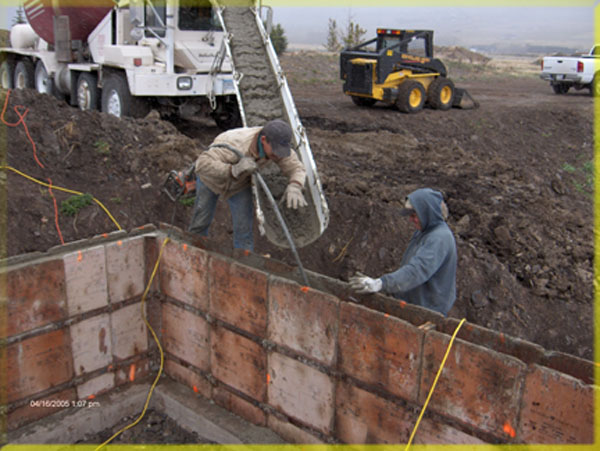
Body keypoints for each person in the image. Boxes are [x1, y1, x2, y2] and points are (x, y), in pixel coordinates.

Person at [188, 119, 307, 251]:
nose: (278, 155)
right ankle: (194, 250)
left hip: (239, 185)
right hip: (210, 179)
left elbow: (296, 168)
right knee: (201, 222)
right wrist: (233, 170)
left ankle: (243, 261)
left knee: (244, 229)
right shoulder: (235, 145)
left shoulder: (277, 144)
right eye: (275, 150)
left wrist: (295, 185)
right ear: (263, 140)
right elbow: (202, 164)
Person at [349, 188, 457, 316]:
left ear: (428, 213)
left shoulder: (439, 239)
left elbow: (417, 270)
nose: (411, 220)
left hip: (427, 310)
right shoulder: (424, 231)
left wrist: (382, 283)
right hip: (413, 303)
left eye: (414, 215)